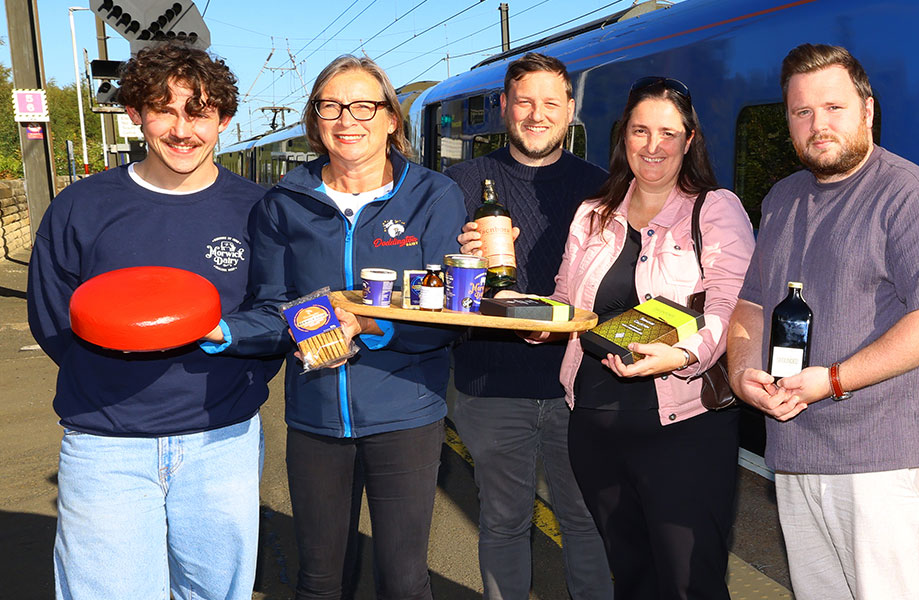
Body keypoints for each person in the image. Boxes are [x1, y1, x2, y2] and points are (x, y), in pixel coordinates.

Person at [27, 42, 277, 600]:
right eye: (164, 109)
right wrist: (119, 375)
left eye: (199, 111)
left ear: (224, 121)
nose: (182, 129)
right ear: (137, 114)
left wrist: (223, 338)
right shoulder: (80, 206)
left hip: (222, 442)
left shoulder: (260, 209)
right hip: (104, 444)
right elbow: (53, 318)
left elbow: (279, 313)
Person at [212, 55, 466, 600]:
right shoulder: (283, 203)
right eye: (331, 106)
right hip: (316, 417)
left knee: (402, 579)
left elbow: (448, 313)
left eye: (363, 106)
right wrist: (225, 333)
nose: (347, 119)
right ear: (316, 119)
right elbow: (272, 306)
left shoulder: (433, 197)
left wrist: (371, 325)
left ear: (391, 119)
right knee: (320, 579)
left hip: (407, 412)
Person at [728, 44, 919, 600]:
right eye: (802, 112)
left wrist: (832, 381)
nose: (819, 125)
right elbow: (749, 305)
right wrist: (745, 373)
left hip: (876, 461)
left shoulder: (908, 195)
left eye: (834, 107)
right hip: (794, 449)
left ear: (867, 110)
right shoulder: (782, 200)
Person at [538, 75, 753, 600]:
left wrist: (684, 353)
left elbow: (732, 308)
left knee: (689, 583)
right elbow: (567, 298)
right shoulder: (593, 213)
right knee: (631, 577)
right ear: (623, 136)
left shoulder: (715, 209)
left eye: (667, 133)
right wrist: (530, 322)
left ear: (690, 140)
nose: (652, 146)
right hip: (594, 426)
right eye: (639, 131)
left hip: (682, 430)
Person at [447, 53, 613, 600]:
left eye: (550, 103)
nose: (535, 114)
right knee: (503, 523)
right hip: (491, 386)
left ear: (571, 110)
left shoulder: (604, 189)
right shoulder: (460, 183)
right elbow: (435, 291)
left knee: (585, 522)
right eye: (524, 101)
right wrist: (459, 263)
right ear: (504, 108)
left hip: (577, 387)